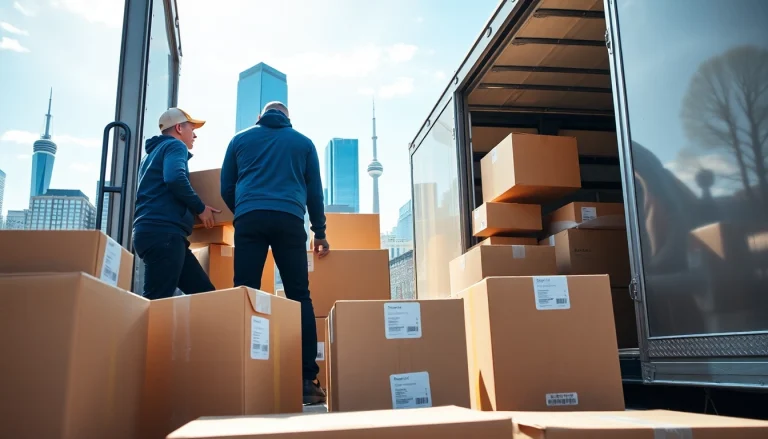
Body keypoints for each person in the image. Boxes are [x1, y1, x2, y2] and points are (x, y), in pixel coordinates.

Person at [220, 101, 329, 405]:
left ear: (260, 118)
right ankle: (307, 381)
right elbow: (315, 193)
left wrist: (244, 208)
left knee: (245, 292)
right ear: (287, 118)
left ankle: (240, 373)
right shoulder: (303, 143)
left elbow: (226, 185)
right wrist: (319, 232)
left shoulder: (239, 140)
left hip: (249, 218)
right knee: (298, 296)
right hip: (290, 219)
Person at [133, 107, 221, 300]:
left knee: (205, 296)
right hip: (164, 234)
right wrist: (200, 208)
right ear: (179, 128)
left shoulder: (149, 156)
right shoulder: (175, 146)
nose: (195, 135)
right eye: (192, 128)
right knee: (156, 301)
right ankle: (138, 331)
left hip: (158, 234)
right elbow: (174, 178)